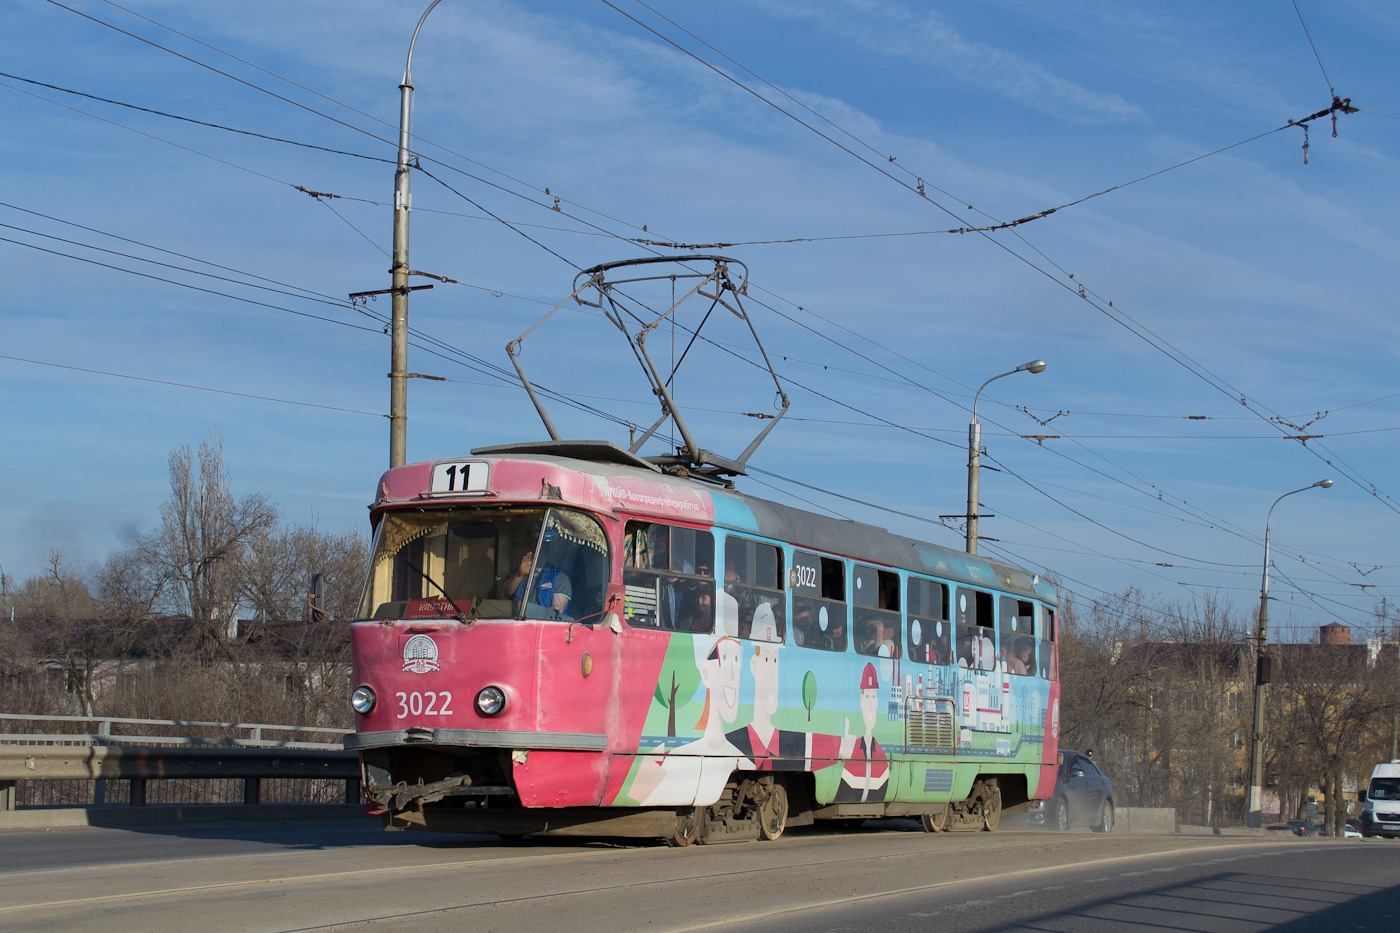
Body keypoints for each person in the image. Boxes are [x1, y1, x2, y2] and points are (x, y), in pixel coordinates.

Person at [499, 546, 572, 614]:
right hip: (518, 622)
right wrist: (520, 575)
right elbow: (504, 592)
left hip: (544, 625)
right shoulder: (517, 573)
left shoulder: (559, 576)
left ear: (546, 549)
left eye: (535, 545)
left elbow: (556, 612)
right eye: (528, 544)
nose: (531, 549)